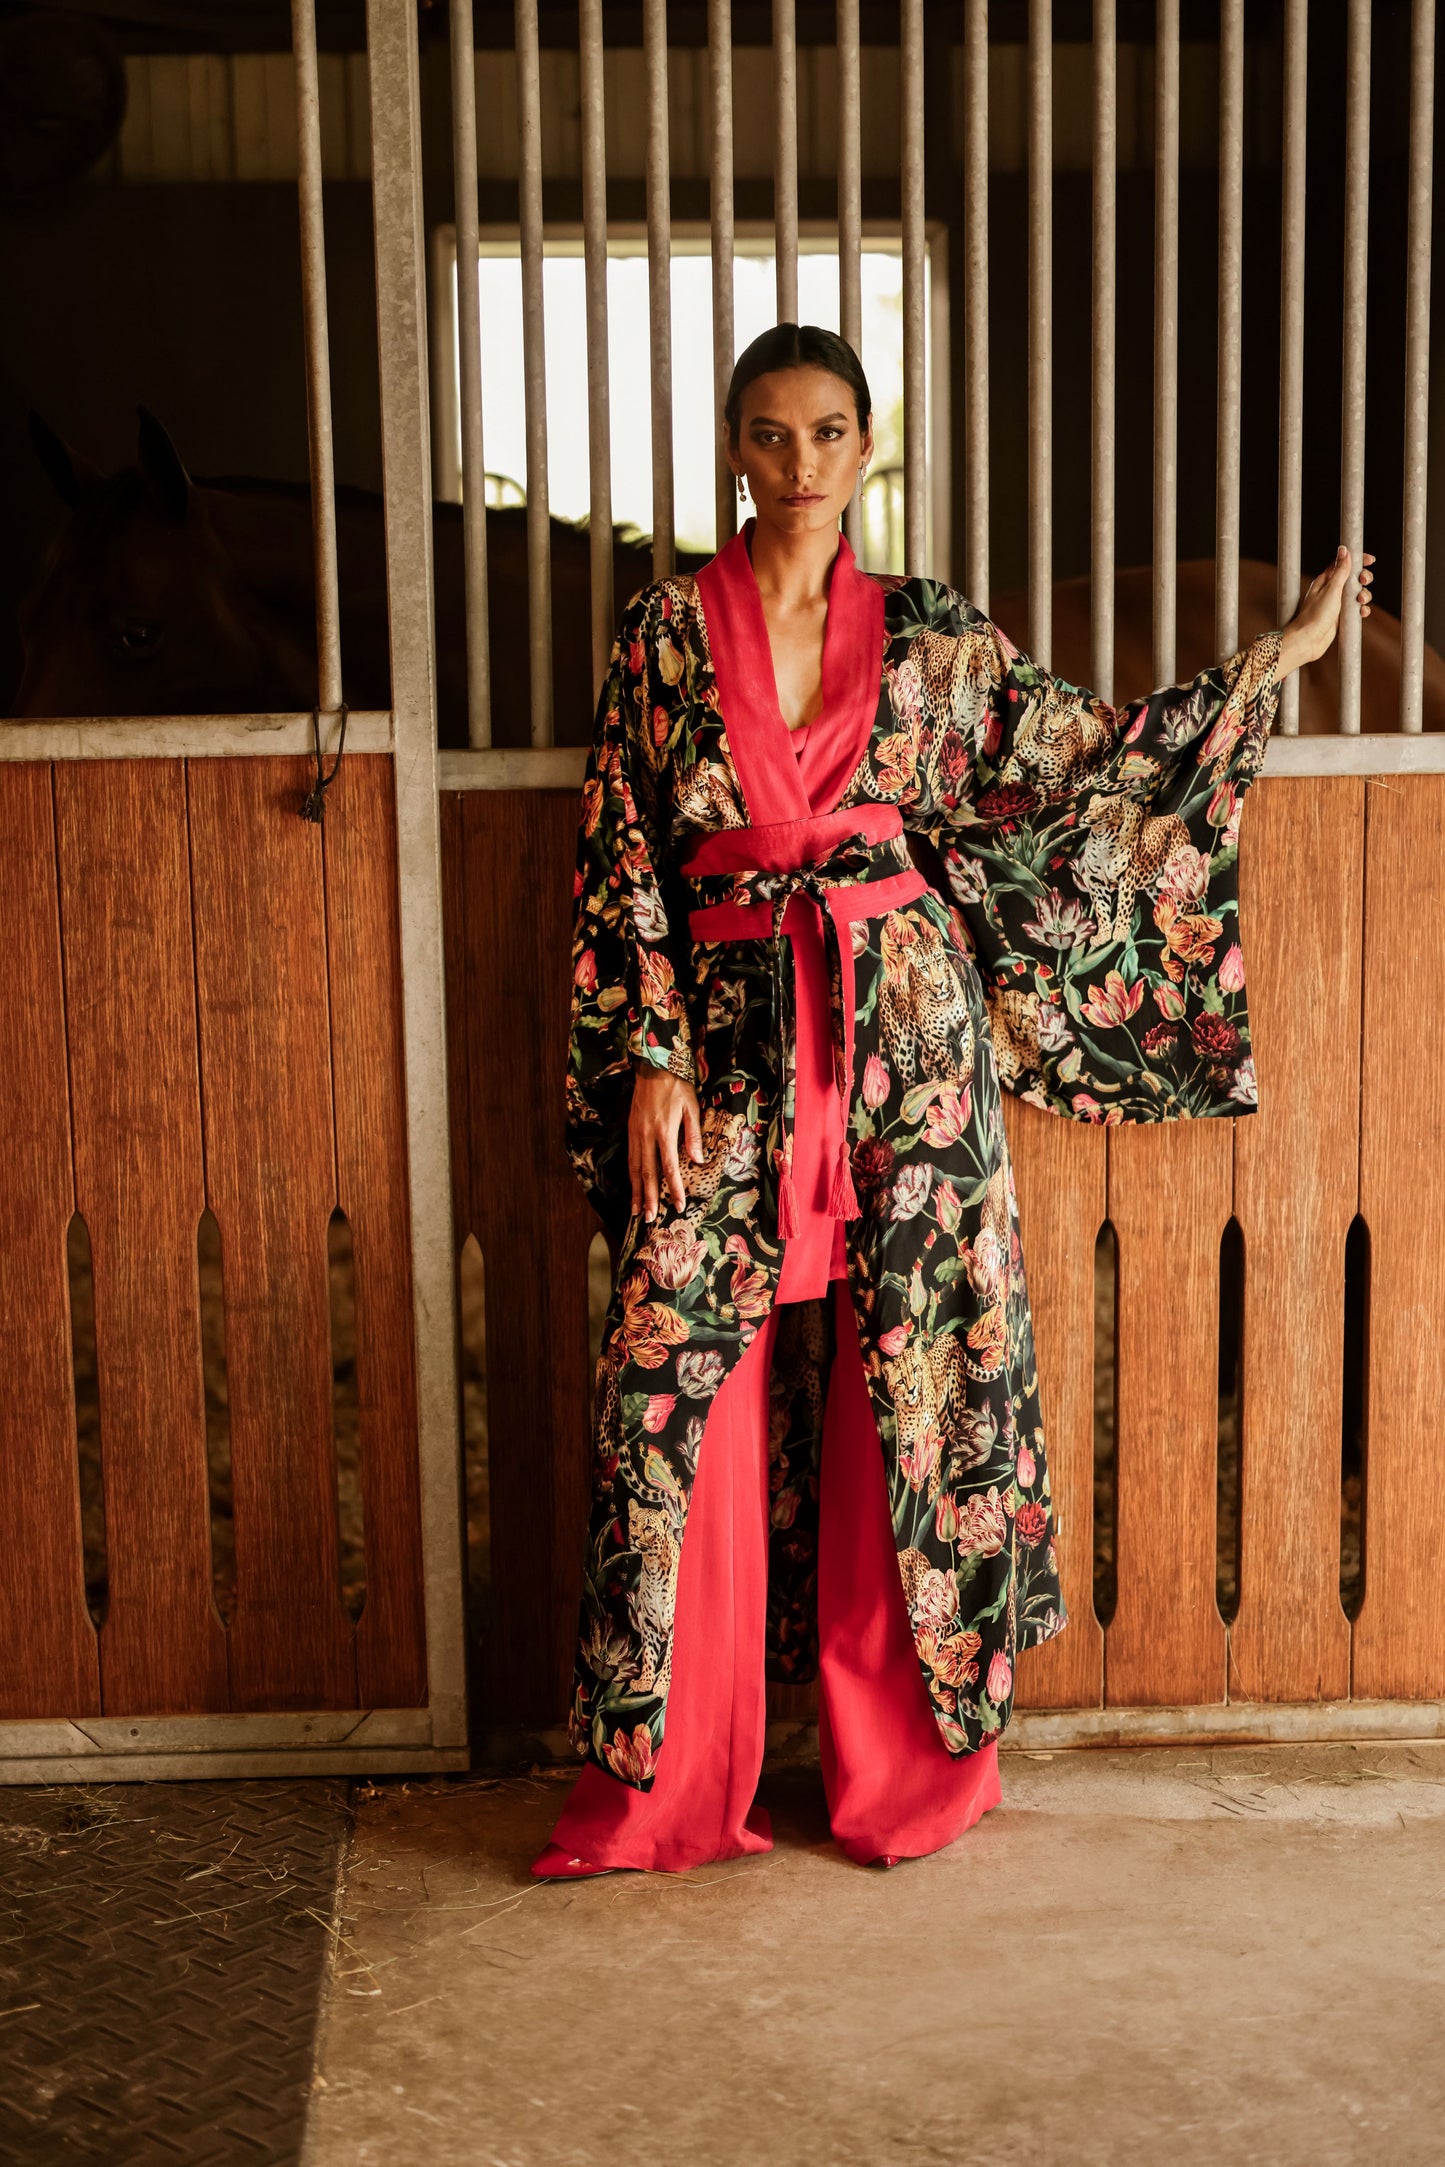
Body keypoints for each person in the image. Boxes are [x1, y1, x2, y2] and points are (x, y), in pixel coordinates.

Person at [532, 323, 1373, 1879]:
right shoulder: (659, 632)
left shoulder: (927, 634)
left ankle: (901, 1778)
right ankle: (664, 1787)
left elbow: (1090, 759)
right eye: (769, 436)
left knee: (916, 1385)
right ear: (733, 450)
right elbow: (622, 852)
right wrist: (645, 1049)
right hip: (720, 1048)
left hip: (906, 1045)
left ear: (865, 453)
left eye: (828, 433)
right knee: (663, 1392)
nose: (798, 466)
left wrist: (1278, 659)